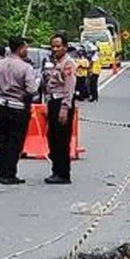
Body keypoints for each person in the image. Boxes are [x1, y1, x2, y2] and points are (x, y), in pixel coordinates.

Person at [0, 38, 39, 185]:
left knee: (2, 140)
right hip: (18, 107)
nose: (27, 50)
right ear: (21, 49)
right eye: (26, 48)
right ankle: (10, 173)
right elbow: (32, 90)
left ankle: (2, 172)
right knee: (15, 141)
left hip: (2, 106)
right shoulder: (25, 68)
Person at [43, 33, 78, 185]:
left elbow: (69, 87)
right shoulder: (55, 62)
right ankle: (56, 170)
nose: (55, 49)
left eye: (58, 46)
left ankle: (63, 173)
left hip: (61, 103)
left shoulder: (68, 64)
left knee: (61, 140)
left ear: (65, 46)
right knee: (53, 138)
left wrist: (65, 107)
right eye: (53, 46)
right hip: (53, 102)